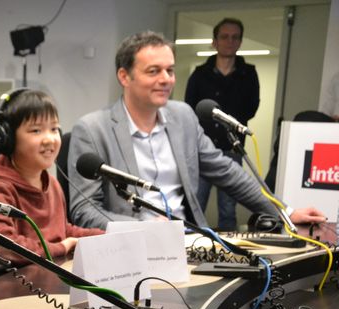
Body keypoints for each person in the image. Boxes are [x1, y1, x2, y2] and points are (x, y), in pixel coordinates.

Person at [67, 31, 326, 231]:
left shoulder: (183, 117)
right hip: (130, 248)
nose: (166, 79)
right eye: (153, 71)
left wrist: (285, 212)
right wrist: (139, 229)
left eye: (170, 70)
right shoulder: (92, 130)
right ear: (124, 76)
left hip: (189, 241)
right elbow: (84, 209)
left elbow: (227, 172)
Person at [0, 89, 103, 265]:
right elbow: (1, 245)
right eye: (36, 130)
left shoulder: (51, 183)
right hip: (15, 284)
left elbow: (61, 230)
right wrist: (60, 247)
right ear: (6, 138)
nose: (49, 139)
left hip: (51, 271)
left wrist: (106, 236)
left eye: (54, 129)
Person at [184, 18, 260, 231]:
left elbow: (251, 108)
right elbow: (189, 108)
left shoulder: (248, 73)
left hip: (232, 148)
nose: (230, 41)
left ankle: (228, 255)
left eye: (235, 37)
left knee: (228, 208)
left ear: (240, 42)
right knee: (195, 203)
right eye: (225, 36)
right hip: (201, 149)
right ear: (215, 41)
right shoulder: (200, 74)